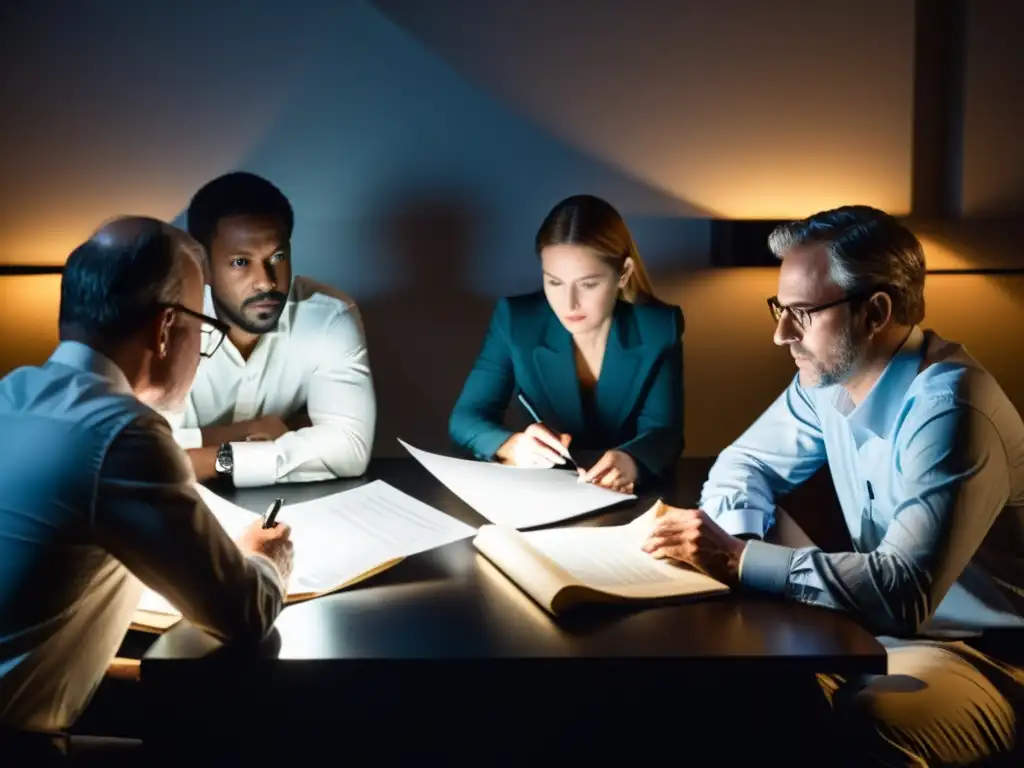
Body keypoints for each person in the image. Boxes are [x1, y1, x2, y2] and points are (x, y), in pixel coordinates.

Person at [642, 205, 1024, 766]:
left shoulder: (951, 409)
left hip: (979, 654)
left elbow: (902, 592)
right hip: (867, 629)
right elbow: (742, 463)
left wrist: (740, 560)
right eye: (780, 309)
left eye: (801, 312)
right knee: (709, 695)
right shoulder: (826, 382)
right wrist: (734, 546)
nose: (779, 334)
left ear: (875, 311)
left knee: (866, 735)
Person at [0, 217, 293, 765]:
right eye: (203, 328)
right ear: (165, 329)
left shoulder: (10, 394)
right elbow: (242, 613)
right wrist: (268, 558)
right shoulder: (123, 433)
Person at [448, 195, 684, 494]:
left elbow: (665, 432)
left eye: (587, 284)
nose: (569, 303)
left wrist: (632, 461)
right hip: (543, 496)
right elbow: (466, 417)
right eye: (554, 282)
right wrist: (511, 446)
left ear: (623, 273)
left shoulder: (659, 327)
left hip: (629, 498)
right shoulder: (515, 320)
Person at [164, 171, 376, 488]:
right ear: (202, 266)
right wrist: (262, 430)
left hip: (285, 512)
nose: (266, 281)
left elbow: (350, 450)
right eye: (240, 262)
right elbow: (141, 451)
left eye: (277, 257)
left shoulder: (328, 316)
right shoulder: (168, 321)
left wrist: (214, 459)